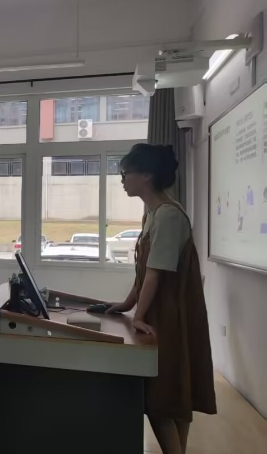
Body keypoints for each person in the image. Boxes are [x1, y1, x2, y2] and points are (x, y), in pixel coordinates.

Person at [107, 143, 216, 454]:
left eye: (126, 172)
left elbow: (156, 273)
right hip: (161, 312)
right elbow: (144, 273)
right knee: (171, 394)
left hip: (170, 315)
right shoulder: (153, 214)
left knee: (162, 397)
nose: (122, 179)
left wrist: (139, 316)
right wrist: (127, 305)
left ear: (146, 175)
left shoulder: (169, 215)